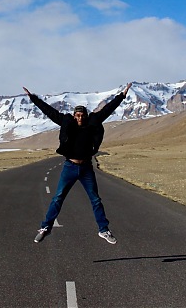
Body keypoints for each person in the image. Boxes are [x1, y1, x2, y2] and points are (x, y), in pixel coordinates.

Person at [23, 83, 132, 244]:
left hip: (86, 167)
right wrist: (33, 98)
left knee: (95, 199)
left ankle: (103, 230)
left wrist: (122, 95)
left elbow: (108, 109)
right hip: (70, 166)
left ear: (85, 115)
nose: (80, 118)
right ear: (74, 116)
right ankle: (45, 227)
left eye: (82, 115)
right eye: (77, 115)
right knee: (58, 197)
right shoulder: (67, 122)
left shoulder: (92, 122)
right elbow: (49, 111)